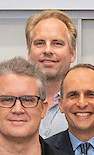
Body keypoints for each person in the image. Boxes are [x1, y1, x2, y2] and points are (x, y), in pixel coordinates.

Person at [26, 9, 87, 138]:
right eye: (40, 43)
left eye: (57, 43)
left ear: (72, 54)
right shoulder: (7, 103)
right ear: (29, 54)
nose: (47, 50)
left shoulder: (90, 106)